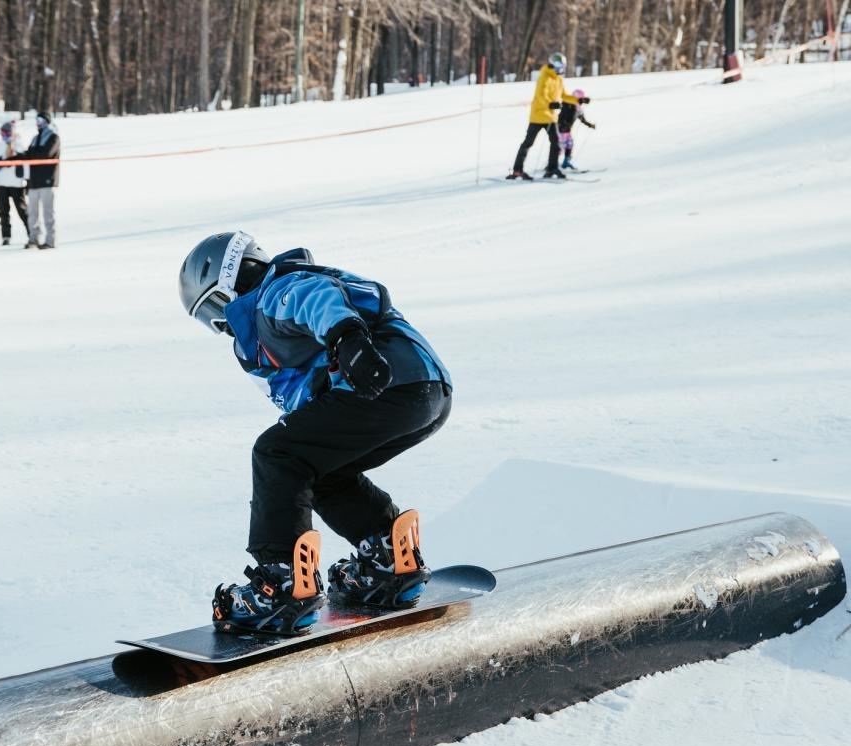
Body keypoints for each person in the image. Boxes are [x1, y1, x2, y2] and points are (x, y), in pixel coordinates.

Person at [177, 232, 453, 635]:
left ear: (237, 278)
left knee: (276, 453)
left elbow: (315, 298)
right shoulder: (272, 327)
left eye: (217, 307)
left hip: (385, 382)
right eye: (210, 321)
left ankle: (282, 585)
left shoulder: (276, 291)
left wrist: (348, 338)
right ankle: (388, 557)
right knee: (317, 470)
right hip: (421, 392)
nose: (222, 325)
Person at [506, 52, 589, 181]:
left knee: (556, 143)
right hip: (538, 116)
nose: (561, 69)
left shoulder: (559, 79)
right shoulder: (544, 76)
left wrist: (578, 100)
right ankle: (517, 170)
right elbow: (541, 95)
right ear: (553, 64)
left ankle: (552, 168)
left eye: (562, 66)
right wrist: (551, 104)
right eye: (559, 66)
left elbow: (564, 96)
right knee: (528, 142)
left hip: (551, 117)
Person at [0, 120, 30, 246]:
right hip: (1, 183)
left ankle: (31, 233)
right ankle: (6, 236)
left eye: (6, 133)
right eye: (2, 133)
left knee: (22, 210)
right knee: (3, 211)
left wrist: (27, 180)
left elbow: (25, 163)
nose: (3, 136)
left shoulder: (19, 144)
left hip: (16, 183)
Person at [21, 111, 59, 250]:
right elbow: (28, 155)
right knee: (32, 213)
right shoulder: (35, 139)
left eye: (41, 121)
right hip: (34, 181)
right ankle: (34, 239)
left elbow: (46, 155)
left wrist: (31, 155)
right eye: (37, 121)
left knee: (48, 212)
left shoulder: (53, 138)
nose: (39, 124)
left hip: (47, 180)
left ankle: (50, 240)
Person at [558, 89, 597, 171]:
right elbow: (562, 109)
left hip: (567, 130)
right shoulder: (566, 104)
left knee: (569, 145)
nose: (581, 101)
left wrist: (590, 125)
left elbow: (582, 119)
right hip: (560, 128)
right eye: (580, 99)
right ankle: (552, 164)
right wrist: (563, 123)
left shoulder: (578, 108)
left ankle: (566, 162)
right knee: (560, 147)